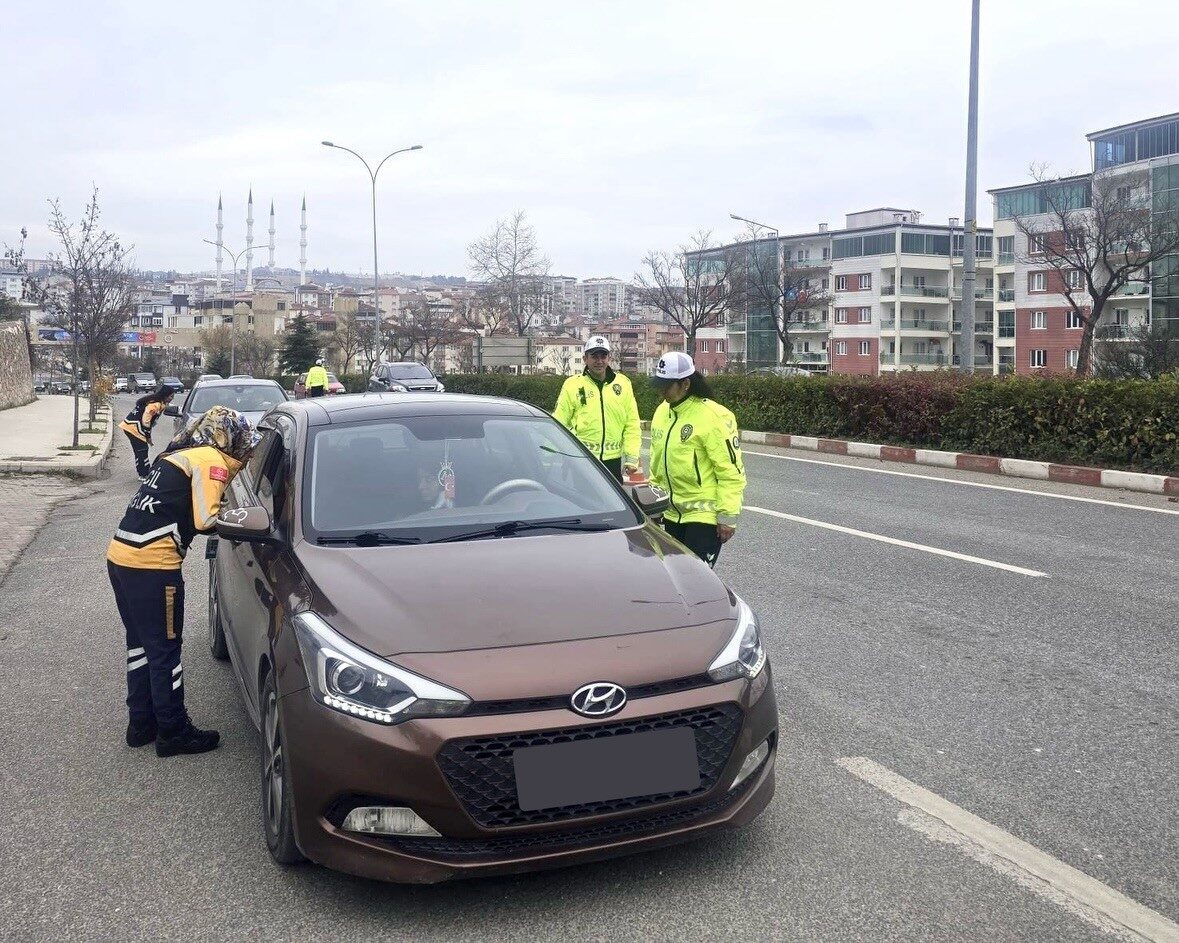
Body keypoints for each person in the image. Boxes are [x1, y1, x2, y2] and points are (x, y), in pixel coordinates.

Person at [106, 406, 258, 757]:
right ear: (226, 436)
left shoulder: (179, 455)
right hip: (153, 567)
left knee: (140, 646)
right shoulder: (210, 460)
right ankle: (174, 732)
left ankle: (141, 724)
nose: (246, 449)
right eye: (243, 441)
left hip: (121, 558)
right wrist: (245, 517)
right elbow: (207, 519)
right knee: (166, 652)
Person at [648, 352, 746, 568]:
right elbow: (657, 462)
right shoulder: (662, 412)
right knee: (673, 579)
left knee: (696, 583)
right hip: (671, 514)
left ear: (685, 384)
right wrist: (652, 505)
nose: (661, 390)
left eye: (667, 385)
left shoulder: (713, 416)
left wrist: (728, 517)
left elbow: (730, 470)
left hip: (703, 518)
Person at [553, 335, 641, 482]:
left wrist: (632, 457)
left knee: (615, 504)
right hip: (582, 460)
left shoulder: (623, 383)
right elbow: (559, 422)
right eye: (594, 356)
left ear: (609, 358)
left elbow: (632, 422)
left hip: (613, 461)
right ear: (585, 359)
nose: (599, 361)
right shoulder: (572, 385)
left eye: (603, 356)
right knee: (584, 503)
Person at [118, 385, 176, 479]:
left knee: (141, 450)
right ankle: (143, 474)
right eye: (170, 396)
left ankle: (145, 471)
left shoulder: (158, 402)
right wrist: (147, 434)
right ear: (165, 395)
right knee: (141, 450)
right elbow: (146, 420)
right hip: (133, 428)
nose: (172, 399)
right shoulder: (155, 404)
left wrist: (148, 435)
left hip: (131, 427)